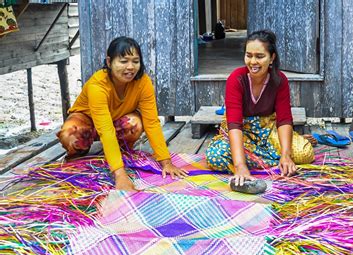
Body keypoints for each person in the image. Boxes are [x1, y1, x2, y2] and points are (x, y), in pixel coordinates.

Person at [57, 36, 187, 191]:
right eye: (123, 61)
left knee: (135, 124)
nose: (131, 67)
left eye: (135, 61)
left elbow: (151, 122)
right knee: (70, 133)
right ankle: (78, 156)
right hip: (88, 122)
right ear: (109, 62)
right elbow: (106, 130)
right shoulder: (97, 85)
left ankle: (119, 153)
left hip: (115, 121)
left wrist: (166, 162)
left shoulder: (144, 83)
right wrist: (120, 175)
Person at [205, 30, 314, 190]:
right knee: (215, 157)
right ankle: (252, 158)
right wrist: (240, 165)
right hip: (241, 134)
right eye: (248, 55)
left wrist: (286, 155)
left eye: (259, 56)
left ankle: (266, 156)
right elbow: (234, 125)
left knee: (304, 153)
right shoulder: (236, 79)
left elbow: (284, 119)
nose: (253, 62)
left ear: (272, 58)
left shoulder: (279, 80)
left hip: (268, 132)